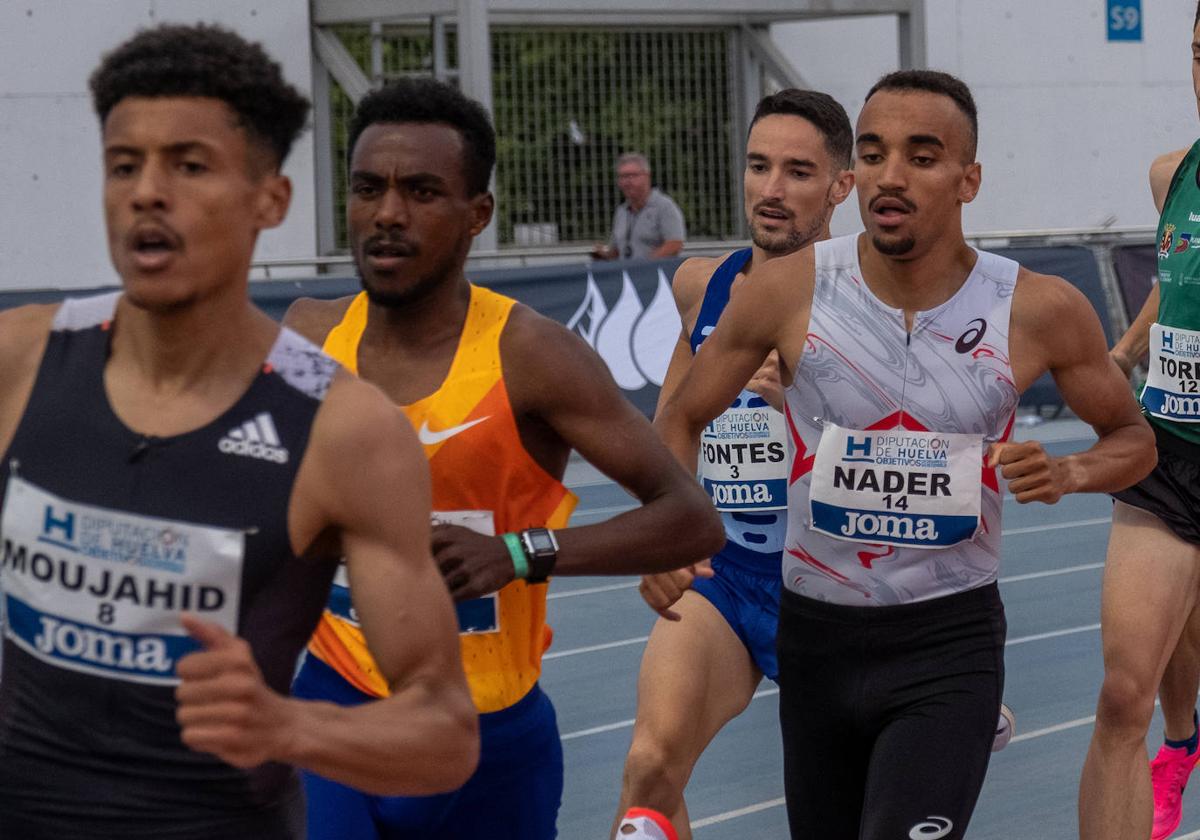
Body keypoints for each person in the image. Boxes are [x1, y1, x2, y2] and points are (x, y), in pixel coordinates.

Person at [0, 24, 479, 840]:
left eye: (189, 164)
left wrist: (287, 728)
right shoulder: (20, 359)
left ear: (271, 200)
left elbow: (443, 731)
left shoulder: (343, 430)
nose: (148, 192)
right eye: (125, 165)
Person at [654, 69, 1155, 840]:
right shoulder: (786, 291)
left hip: (947, 645)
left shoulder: (1036, 308)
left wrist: (1067, 471)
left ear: (969, 179)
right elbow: (682, 417)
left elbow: (1134, 440)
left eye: (922, 157)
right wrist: (671, 534)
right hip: (815, 638)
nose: (891, 176)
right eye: (876, 152)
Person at [282, 78, 723, 840]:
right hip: (338, 714)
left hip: (490, 739)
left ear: (477, 214)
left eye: (422, 191)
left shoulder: (533, 356)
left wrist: (519, 553)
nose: (388, 214)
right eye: (367, 188)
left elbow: (690, 519)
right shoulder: (309, 337)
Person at [610, 88, 855, 840]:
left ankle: (953, 698)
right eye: (759, 166)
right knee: (651, 765)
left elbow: (912, 469)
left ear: (842, 186)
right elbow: (672, 423)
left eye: (798, 172)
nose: (772, 190)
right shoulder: (703, 284)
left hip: (840, 597)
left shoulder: (869, 305)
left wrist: (803, 405)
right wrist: (666, 535)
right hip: (729, 578)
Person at [1081, 7, 1200, 836]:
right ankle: (1179, 745)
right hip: (1169, 451)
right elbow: (1173, 281)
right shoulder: (1171, 175)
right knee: (1125, 691)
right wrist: (1123, 355)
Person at [591, 152, 686, 260]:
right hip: (628, 274)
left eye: (632, 176)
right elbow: (617, 250)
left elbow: (675, 244)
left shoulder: (665, 207)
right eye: (622, 177)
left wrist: (644, 266)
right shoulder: (621, 211)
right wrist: (603, 254)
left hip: (653, 274)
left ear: (647, 176)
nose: (627, 182)